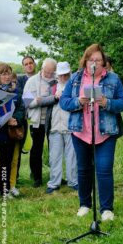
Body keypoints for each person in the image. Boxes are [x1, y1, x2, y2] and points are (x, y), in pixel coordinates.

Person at [60, 43, 123, 222]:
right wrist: (78, 102)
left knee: (104, 170)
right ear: (85, 61)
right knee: (83, 170)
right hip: (81, 131)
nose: (95, 63)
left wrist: (107, 103)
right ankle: (84, 204)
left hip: (105, 133)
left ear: (103, 62)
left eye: (98, 60)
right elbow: (64, 102)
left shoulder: (113, 79)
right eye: (91, 59)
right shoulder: (75, 78)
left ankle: (106, 209)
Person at [23, 58, 58, 187]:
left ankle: (56, 176)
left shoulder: (57, 80)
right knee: (36, 150)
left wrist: (43, 99)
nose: (49, 75)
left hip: (53, 120)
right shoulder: (31, 82)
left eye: (51, 73)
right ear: (42, 68)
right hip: (36, 121)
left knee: (55, 149)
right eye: (47, 72)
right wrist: (37, 102)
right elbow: (26, 102)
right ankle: (37, 178)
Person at [46, 62, 78, 194]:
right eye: (61, 74)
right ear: (57, 75)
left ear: (69, 73)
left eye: (65, 74)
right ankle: (54, 183)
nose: (63, 77)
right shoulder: (52, 87)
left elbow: (78, 103)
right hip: (54, 126)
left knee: (72, 156)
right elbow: (44, 101)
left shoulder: (75, 86)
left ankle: (73, 181)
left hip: (70, 126)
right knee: (55, 156)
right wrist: (54, 97)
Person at [0, 63, 25, 197]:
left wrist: (15, 120)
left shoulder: (15, 92)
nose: (7, 77)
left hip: (10, 131)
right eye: (3, 74)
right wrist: (2, 118)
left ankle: (5, 190)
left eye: (8, 73)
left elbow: (21, 108)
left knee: (6, 161)